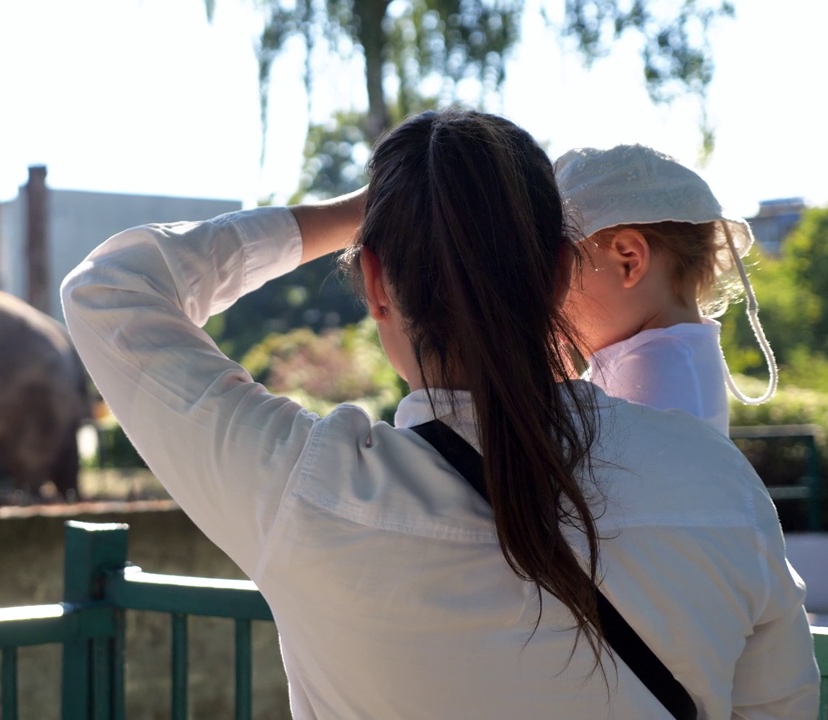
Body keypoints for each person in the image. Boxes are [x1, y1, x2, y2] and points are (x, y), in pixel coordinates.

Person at [61, 109, 817, 718]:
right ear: (558, 276)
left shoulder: (307, 490)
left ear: (377, 282)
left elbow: (110, 290)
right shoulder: (719, 486)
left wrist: (361, 213)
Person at [554, 144, 778, 435]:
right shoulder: (673, 352)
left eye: (559, 270)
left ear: (629, 262)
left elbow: (587, 460)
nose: (550, 296)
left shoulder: (655, 367)